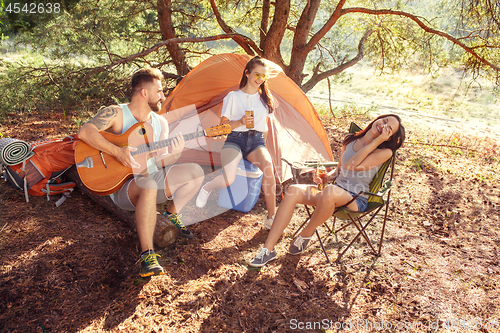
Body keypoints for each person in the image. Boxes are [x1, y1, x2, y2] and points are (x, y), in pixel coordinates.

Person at [78, 68, 204, 277]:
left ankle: (170, 214)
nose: (163, 96)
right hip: (123, 185)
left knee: (195, 171)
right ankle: (148, 256)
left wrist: (175, 154)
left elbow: (160, 161)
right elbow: (85, 132)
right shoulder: (116, 113)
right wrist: (117, 151)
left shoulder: (160, 122)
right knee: (149, 184)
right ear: (145, 92)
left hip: (149, 178)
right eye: (160, 91)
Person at [249, 114, 405, 267]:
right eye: (384, 121)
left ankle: (306, 233)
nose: (383, 126)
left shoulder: (384, 152)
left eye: (389, 129)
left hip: (356, 199)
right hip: (333, 191)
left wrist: (377, 141)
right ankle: (268, 249)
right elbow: (339, 170)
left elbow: (352, 165)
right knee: (292, 191)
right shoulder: (350, 140)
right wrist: (325, 178)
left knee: (330, 192)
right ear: (377, 119)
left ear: (389, 137)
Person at [195, 56, 276, 227]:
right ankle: (207, 187)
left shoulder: (266, 100)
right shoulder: (233, 97)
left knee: (269, 169)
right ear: (247, 73)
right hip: (235, 140)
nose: (259, 79)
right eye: (256, 74)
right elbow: (223, 127)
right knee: (228, 178)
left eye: (263, 76)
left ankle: (271, 217)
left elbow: (265, 130)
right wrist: (239, 122)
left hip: (256, 142)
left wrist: (264, 151)